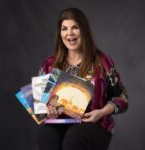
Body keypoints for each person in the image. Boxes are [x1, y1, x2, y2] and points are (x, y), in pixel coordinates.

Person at [37, 7, 128, 150]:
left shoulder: (102, 61)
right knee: (45, 134)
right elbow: (39, 103)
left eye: (75, 27)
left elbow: (122, 98)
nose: (69, 33)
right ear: (60, 33)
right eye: (64, 29)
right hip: (59, 123)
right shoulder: (50, 63)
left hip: (95, 125)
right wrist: (46, 109)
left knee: (75, 137)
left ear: (84, 30)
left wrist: (101, 112)